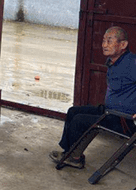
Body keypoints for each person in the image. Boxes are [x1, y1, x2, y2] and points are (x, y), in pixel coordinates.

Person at [49, 26, 136, 169]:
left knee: (80, 121)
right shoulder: (114, 61)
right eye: (103, 41)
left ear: (123, 45)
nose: (104, 45)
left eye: (109, 41)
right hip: (109, 111)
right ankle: (68, 151)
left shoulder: (131, 63)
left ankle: (74, 158)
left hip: (123, 119)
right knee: (73, 112)